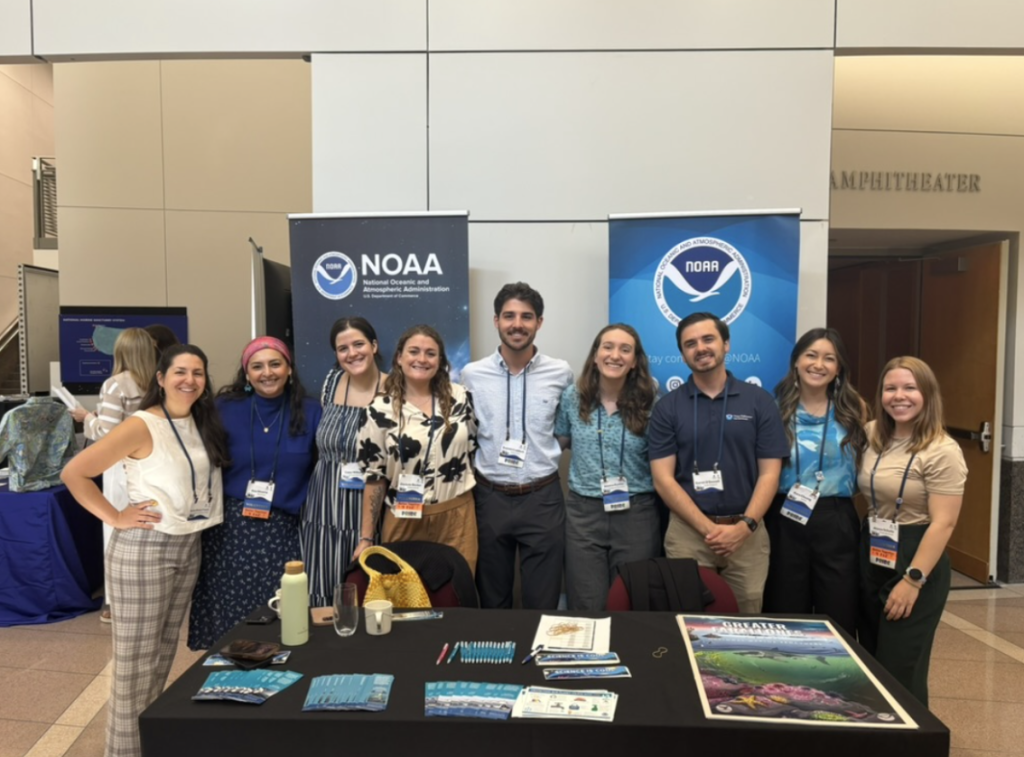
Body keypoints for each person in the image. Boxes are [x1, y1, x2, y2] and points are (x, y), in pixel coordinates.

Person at [61, 344, 228, 757]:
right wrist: (116, 516)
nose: (189, 380)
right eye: (180, 372)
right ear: (161, 378)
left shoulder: (200, 421)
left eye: (198, 373)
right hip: (145, 550)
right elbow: (75, 473)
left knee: (159, 661)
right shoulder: (142, 424)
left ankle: (144, 746)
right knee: (134, 670)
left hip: (187, 545)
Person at [647, 312, 788, 613]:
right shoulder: (667, 407)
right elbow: (663, 479)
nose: (700, 348)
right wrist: (707, 528)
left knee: (746, 622)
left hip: (747, 533)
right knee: (689, 619)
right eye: (690, 344)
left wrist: (745, 526)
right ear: (682, 354)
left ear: (726, 344)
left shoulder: (759, 401)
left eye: (708, 339)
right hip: (688, 534)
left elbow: (769, 474)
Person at [188, 337, 321, 649]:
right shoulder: (223, 408)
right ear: (246, 374)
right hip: (230, 528)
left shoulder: (312, 411)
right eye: (257, 366)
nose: (267, 373)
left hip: (283, 530)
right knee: (229, 614)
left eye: (275, 364)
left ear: (289, 369)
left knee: (279, 612)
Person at [858, 356, 966, 705]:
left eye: (910, 388)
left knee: (899, 668)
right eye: (890, 388)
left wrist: (913, 580)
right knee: (870, 658)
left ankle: (912, 733)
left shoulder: (942, 450)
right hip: (873, 546)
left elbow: (944, 522)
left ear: (928, 394)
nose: (899, 396)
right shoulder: (872, 434)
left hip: (916, 552)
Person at [461, 282, 574, 609]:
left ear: (539, 322)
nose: (517, 324)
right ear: (496, 320)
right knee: (492, 599)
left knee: (543, 600)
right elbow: (468, 432)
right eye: (509, 316)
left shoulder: (560, 372)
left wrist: (545, 453)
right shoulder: (472, 374)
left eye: (527, 316)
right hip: (489, 497)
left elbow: (566, 428)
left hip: (542, 497)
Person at [762, 328, 867, 635]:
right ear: (796, 361)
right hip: (783, 515)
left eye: (829, 358)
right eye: (811, 355)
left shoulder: (854, 409)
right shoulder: (774, 409)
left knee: (839, 610)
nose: (818, 364)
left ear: (838, 368)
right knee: (784, 610)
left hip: (836, 517)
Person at [354, 325, 478, 570]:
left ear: (440, 361)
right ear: (399, 358)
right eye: (414, 351)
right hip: (403, 518)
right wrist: (366, 538)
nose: (422, 359)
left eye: (430, 353)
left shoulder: (461, 398)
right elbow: (375, 478)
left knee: (457, 589)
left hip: (457, 517)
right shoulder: (379, 410)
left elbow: (474, 448)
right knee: (403, 591)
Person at [555, 324, 660, 610]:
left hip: (636, 513)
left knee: (633, 600)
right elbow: (559, 442)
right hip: (583, 514)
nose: (615, 355)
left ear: (635, 361)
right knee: (586, 602)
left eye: (625, 350)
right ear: (595, 355)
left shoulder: (651, 400)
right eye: (608, 347)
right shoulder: (572, 397)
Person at [70, 327, 157, 622]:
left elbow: (107, 433)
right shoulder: (157, 383)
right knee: (147, 525)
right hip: (151, 463)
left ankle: (115, 602)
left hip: (120, 467)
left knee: (117, 527)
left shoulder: (115, 385)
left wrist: (87, 418)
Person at [301, 317, 387, 607]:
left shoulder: (394, 390)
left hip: (366, 507)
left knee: (362, 589)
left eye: (359, 344)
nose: (352, 353)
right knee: (320, 584)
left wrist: (367, 533)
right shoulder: (331, 383)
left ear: (374, 346)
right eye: (343, 348)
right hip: (322, 505)